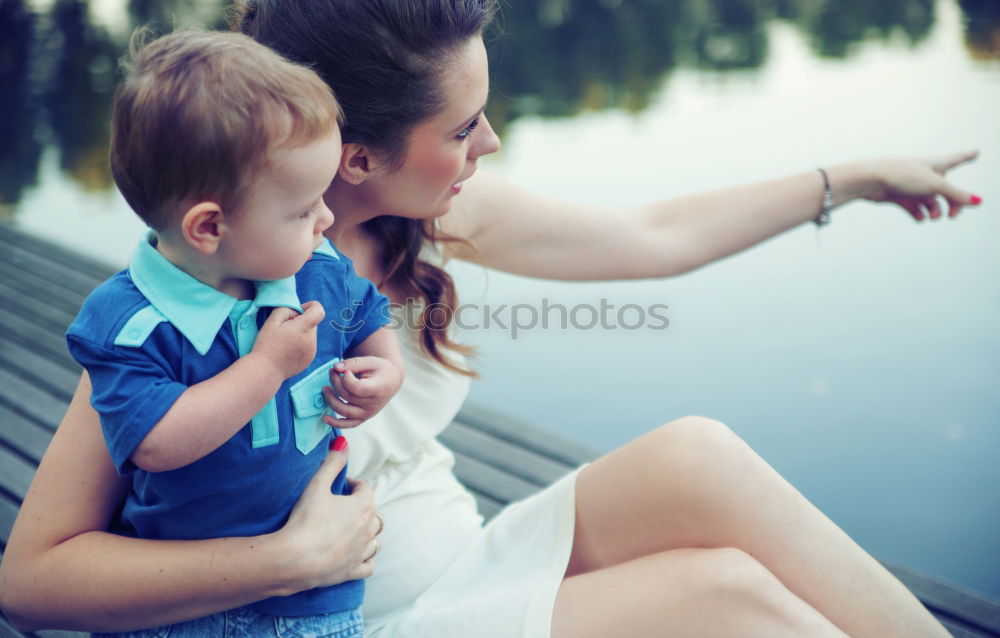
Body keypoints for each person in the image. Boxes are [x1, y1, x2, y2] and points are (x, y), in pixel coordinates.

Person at [0, 1, 982, 636]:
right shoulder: (191, 303)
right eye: (463, 125)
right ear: (354, 157)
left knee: (696, 453)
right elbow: (35, 578)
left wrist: (848, 178)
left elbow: (652, 232)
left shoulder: (424, 216)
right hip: (332, 618)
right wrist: (284, 558)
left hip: (462, 565)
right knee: (723, 596)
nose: (492, 140)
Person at [62, 28, 403, 635]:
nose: (326, 219)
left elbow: (368, 313)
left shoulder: (316, 267)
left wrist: (385, 369)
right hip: (178, 611)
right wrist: (267, 366)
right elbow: (157, 443)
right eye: (302, 210)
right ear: (209, 228)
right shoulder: (128, 324)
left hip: (318, 600)